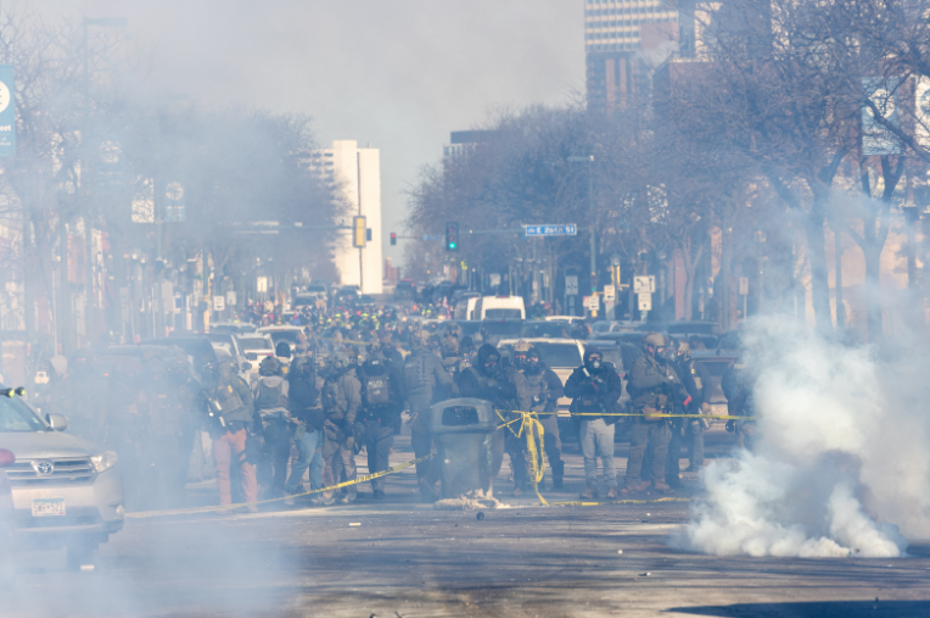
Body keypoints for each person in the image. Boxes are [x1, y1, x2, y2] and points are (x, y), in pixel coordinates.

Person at [458, 343, 530, 496]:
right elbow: (467, 393)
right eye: (488, 363)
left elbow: (511, 391)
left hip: (504, 420)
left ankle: (519, 485)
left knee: (513, 452)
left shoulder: (501, 374)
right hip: (479, 422)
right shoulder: (470, 374)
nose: (491, 366)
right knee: (475, 455)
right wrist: (486, 389)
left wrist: (496, 387)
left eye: (494, 363)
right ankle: (473, 487)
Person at [624, 333, 687, 494]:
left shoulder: (666, 366)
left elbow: (677, 384)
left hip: (661, 414)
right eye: (660, 348)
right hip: (642, 414)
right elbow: (637, 383)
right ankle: (630, 483)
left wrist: (687, 400)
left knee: (661, 451)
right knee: (637, 451)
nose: (664, 351)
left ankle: (659, 481)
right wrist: (661, 379)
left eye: (665, 348)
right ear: (650, 348)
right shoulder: (639, 364)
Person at [564, 346, 623, 499]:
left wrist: (604, 400)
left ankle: (611, 487)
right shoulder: (579, 373)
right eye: (591, 357)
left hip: (604, 419)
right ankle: (591, 487)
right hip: (585, 419)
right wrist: (584, 387)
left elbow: (616, 390)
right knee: (588, 457)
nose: (595, 360)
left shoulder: (608, 372)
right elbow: (568, 391)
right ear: (586, 359)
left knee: (607, 454)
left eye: (597, 357)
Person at [404, 330, 454, 501]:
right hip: (432, 411)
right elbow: (446, 383)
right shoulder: (433, 359)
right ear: (426, 341)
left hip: (413, 414)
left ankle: (424, 490)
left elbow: (401, 388)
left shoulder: (407, 362)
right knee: (445, 448)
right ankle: (432, 479)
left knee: (420, 452)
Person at [513, 342, 565, 490]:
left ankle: (557, 482)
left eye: (534, 358)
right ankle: (538, 482)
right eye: (529, 358)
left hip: (547, 417)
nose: (531, 361)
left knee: (554, 449)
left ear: (539, 359)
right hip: (531, 418)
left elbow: (561, 390)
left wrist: (547, 396)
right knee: (534, 451)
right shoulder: (522, 376)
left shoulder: (548, 374)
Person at [210, 357, 258, 512]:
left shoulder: (232, 382)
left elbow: (248, 402)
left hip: (232, 431)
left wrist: (246, 419)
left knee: (230, 469)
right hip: (227, 431)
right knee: (240, 468)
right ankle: (244, 503)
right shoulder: (216, 384)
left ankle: (234, 503)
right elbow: (249, 401)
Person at [358, 350, 406, 498]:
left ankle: (374, 484)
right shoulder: (390, 374)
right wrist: (395, 413)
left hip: (368, 420)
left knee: (371, 454)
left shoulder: (363, 374)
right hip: (386, 420)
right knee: (382, 456)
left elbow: (359, 398)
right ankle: (379, 487)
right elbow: (401, 395)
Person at [320, 351, 362, 504]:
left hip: (346, 426)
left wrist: (348, 423)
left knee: (347, 461)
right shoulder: (327, 382)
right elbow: (323, 403)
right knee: (329, 462)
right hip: (331, 426)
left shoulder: (351, 382)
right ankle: (329, 492)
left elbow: (355, 403)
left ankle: (351, 492)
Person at [284, 355, 326, 505]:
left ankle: (316, 495)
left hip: (317, 427)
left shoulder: (308, 383)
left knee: (317, 462)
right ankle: (289, 490)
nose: (310, 370)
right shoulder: (297, 384)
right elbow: (307, 399)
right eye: (307, 367)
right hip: (305, 428)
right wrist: (317, 389)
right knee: (305, 460)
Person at [252, 356, 291, 499]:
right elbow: (289, 404)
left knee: (265, 457)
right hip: (281, 425)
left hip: (264, 426)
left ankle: (266, 486)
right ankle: (278, 488)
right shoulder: (285, 384)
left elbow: (254, 404)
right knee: (281, 459)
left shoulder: (258, 384)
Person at [721, 354, 757, 450]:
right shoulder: (751, 371)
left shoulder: (732, 369)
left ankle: (746, 453)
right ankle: (747, 454)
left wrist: (731, 421)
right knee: (746, 432)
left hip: (742, 409)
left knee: (743, 432)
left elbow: (726, 386)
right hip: (745, 410)